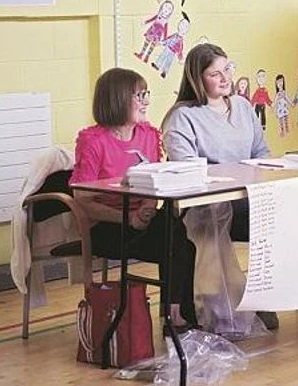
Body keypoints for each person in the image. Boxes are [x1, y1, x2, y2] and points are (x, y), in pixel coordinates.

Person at [162, 42, 280, 330]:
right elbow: (187, 168)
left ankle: (262, 296)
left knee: (286, 213)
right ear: (197, 79)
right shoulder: (182, 116)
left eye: (227, 69)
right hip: (203, 204)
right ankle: (211, 305)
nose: (226, 78)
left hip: (246, 196)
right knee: (212, 214)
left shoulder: (242, 106)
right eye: (215, 74)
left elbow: (262, 153)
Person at [70, 68, 197, 329]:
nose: (146, 101)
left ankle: (174, 312)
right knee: (175, 241)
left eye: (146, 94)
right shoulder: (93, 141)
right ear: (117, 99)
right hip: (108, 225)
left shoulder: (149, 135)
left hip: (141, 218)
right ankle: (176, 317)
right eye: (140, 95)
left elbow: (155, 179)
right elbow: (83, 201)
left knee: (179, 237)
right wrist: (128, 218)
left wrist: (146, 210)